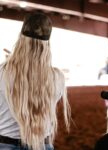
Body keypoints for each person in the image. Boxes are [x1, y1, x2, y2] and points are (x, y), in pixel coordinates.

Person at [0, 11, 70, 150]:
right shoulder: (57, 77)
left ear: (21, 39)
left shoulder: (2, 72)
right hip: (42, 145)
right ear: (47, 44)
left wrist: (10, 62)